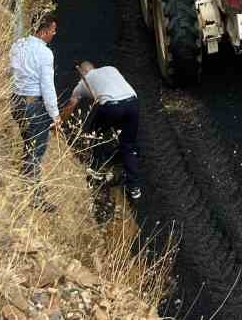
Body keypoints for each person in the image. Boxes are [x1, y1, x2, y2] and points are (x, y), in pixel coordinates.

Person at [62, 61, 142, 203]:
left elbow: (71, 105)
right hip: (133, 103)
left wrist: (58, 123)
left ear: (82, 72)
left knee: (95, 134)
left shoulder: (83, 83)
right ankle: (134, 188)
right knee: (128, 145)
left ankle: (96, 170)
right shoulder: (111, 68)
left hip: (112, 106)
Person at [8, 13, 60, 193]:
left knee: (28, 142)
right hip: (33, 106)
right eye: (54, 30)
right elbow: (47, 86)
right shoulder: (45, 53)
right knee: (36, 149)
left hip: (16, 101)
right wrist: (55, 114)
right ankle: (32, 194)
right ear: (45, 32)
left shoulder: (18, 44)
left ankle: (29, 179)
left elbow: (11, 72)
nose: (54, 33)